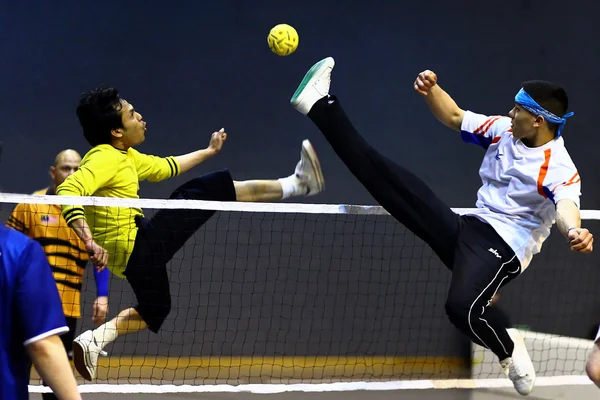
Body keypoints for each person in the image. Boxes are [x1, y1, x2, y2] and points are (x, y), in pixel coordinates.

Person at [289, 57, 593, 396]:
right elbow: (454, 116)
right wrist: (433, 90)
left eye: (518, 109)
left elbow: (567, 206)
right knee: (383, 178)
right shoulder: (503, 131)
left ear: (537, 121)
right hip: (467, 228)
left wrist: (573, 231)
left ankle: (506, 349)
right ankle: (319, 104)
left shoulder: (559, 167)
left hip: (502, 249)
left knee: (461, 308)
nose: (510, 113)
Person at [56, 87, 325, 381]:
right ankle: (298, 184)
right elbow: (68, 189)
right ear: (117, 131)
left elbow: (166, 166)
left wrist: (208, 152)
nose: (141, 117)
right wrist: (89, 240)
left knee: (157, 308)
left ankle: (96, 339)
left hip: (135, 264)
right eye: (133, 114)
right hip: (139, 247)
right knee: (202, 190)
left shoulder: (127, 157)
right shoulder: (103, 158)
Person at [7, 149, 109, 399]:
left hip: (65, 307)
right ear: (53, 172)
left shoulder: (90, 214)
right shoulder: (31, 205)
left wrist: (103, 295)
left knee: (53, 380)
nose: (72, 173)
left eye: (77, 169)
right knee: (14, 369)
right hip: (23, 304)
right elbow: (8, 251)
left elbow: (101, 258)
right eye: (66, 168)